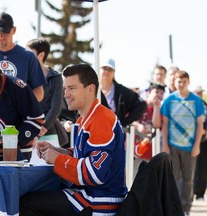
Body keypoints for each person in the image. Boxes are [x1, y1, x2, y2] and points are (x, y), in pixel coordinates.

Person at [20, 64, 127, 216]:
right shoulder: (87, 117)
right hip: (92, 196)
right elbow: (85, 156)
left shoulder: (101, 119)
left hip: (99, 201)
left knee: (27, 203)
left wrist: (58, 158)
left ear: (90, 89)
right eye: (65, 89)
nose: (66, 94)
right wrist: (60, 151)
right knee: (38, 194)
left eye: (72, 88)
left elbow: (95, 174)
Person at [161, 70, 204, 215]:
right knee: (174, 178)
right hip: (173, 145)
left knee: (188, 180)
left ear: (188, 82)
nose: (181, 84)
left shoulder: (196, 101)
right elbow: (165, 124)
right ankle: (175, 208)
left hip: (190, 146)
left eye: (184, 81)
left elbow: (200, 125)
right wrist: (165, 145)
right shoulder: (169, 100)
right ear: (175, 82)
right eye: (179, 81)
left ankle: (186, 208)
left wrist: (197, 145)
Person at [26, 38, 67, 146]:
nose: (26, 56)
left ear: (41, 55)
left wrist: (42, 127)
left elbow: (56, 107)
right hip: (26, 132)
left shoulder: (56, 77)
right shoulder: (24, 76)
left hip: (48, 131)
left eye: (30, 53)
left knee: (49, 162)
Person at [100, 58, 147, 127]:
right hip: (94, 132)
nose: (106, 71)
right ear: (99, 69)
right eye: (104, 68)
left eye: (110, 69)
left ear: (114, 72)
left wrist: (125, 122)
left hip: (115, 134)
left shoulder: (121, 91)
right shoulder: (91, 90)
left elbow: (141, 104)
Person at [132, 82, 165, 177]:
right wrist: (138, 126)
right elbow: (128, 121)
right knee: (134, 181)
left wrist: (156, 108)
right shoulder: (139, 105)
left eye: (161, 93)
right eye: (156, 92)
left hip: (151, 153)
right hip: (135, 151)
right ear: (149, 92)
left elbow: (157, 125)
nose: (159, 95)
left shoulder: (159, 109)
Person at [193, 86, 207, 201]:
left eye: (200, 93)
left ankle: (200, 194)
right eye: (197, 92)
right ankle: (191, 193)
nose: (199, 95)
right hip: (190, 141)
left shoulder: (206, 106)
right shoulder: (188, 104)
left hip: (205, 142)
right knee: (191, 169)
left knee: (203, 168)